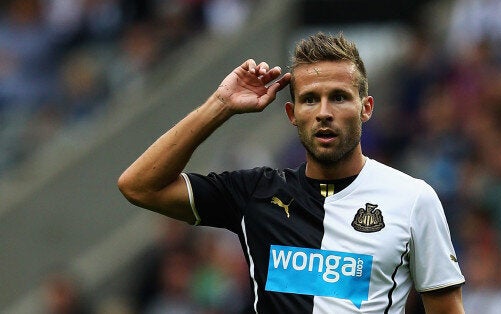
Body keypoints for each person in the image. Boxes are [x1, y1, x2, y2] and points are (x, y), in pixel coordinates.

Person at [118, 32, 465, 313]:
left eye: (340, 98)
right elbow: (139, 186)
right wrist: (220, 105)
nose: (324, 112)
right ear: (292, 113)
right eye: (311, 99)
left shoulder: (413, 199)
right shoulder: (255, 194)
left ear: (366, 108)